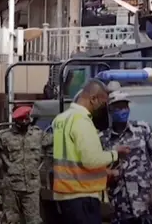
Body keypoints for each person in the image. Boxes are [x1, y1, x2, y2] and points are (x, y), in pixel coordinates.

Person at [52, 79, 130, 224]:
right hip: (82, 197)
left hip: (64, 195)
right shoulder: (82, 121)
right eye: (102, 104)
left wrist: (105, 173)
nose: (103, 109)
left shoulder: (60, 119)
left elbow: (73, 160)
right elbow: (91, 160)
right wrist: (116, 154)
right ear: (93, 99)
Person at [100, 91, 152, 224]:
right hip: (119, 203)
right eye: (118, 107)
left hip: (146, 200)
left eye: (125, 107)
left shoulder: (143, 129)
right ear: (110, 110)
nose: (123, 110)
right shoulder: (103, 138)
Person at [0, 106, 52, 224]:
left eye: (26, 119)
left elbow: (53, 143)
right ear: (15, 120)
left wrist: (45, 160)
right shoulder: (5, 136)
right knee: (11, 220)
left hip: (31, 187)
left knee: (34, 220)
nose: (24, 122)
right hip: (11, 187)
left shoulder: (38, 135)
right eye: (21, 119)